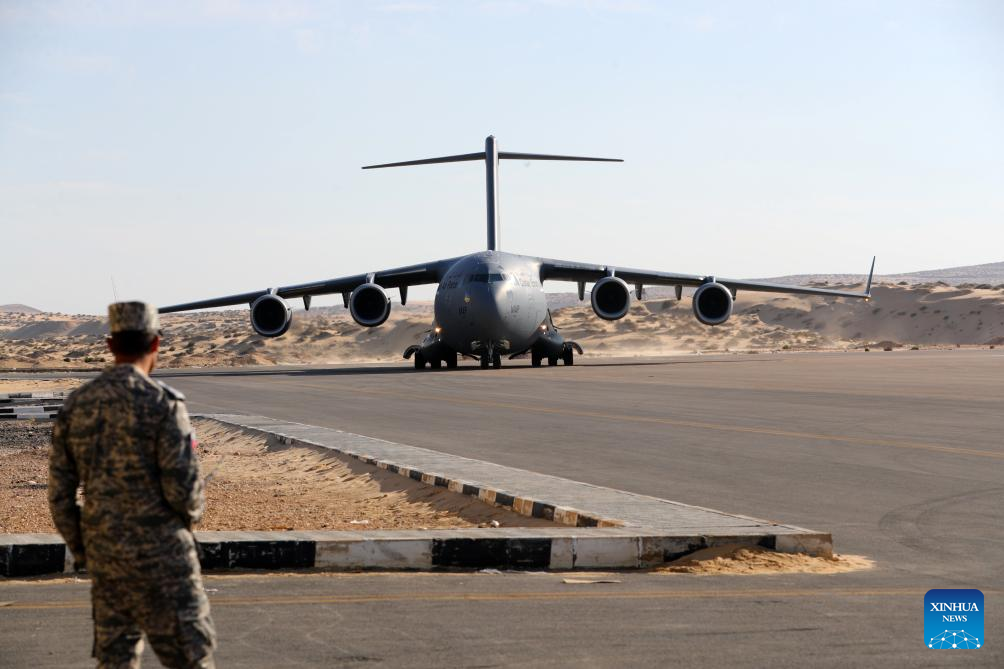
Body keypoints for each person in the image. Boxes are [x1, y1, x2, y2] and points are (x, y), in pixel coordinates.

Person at [49, 301, 216, 668]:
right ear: (155, 344)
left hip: (108, 561)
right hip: (166, 561)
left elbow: (60, 497)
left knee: (116, 661)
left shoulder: (78, 405)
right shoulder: (164, 405)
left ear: (111, 345)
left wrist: (88, 550)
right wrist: (183, 527)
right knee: (190, 659)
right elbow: (186, 493)